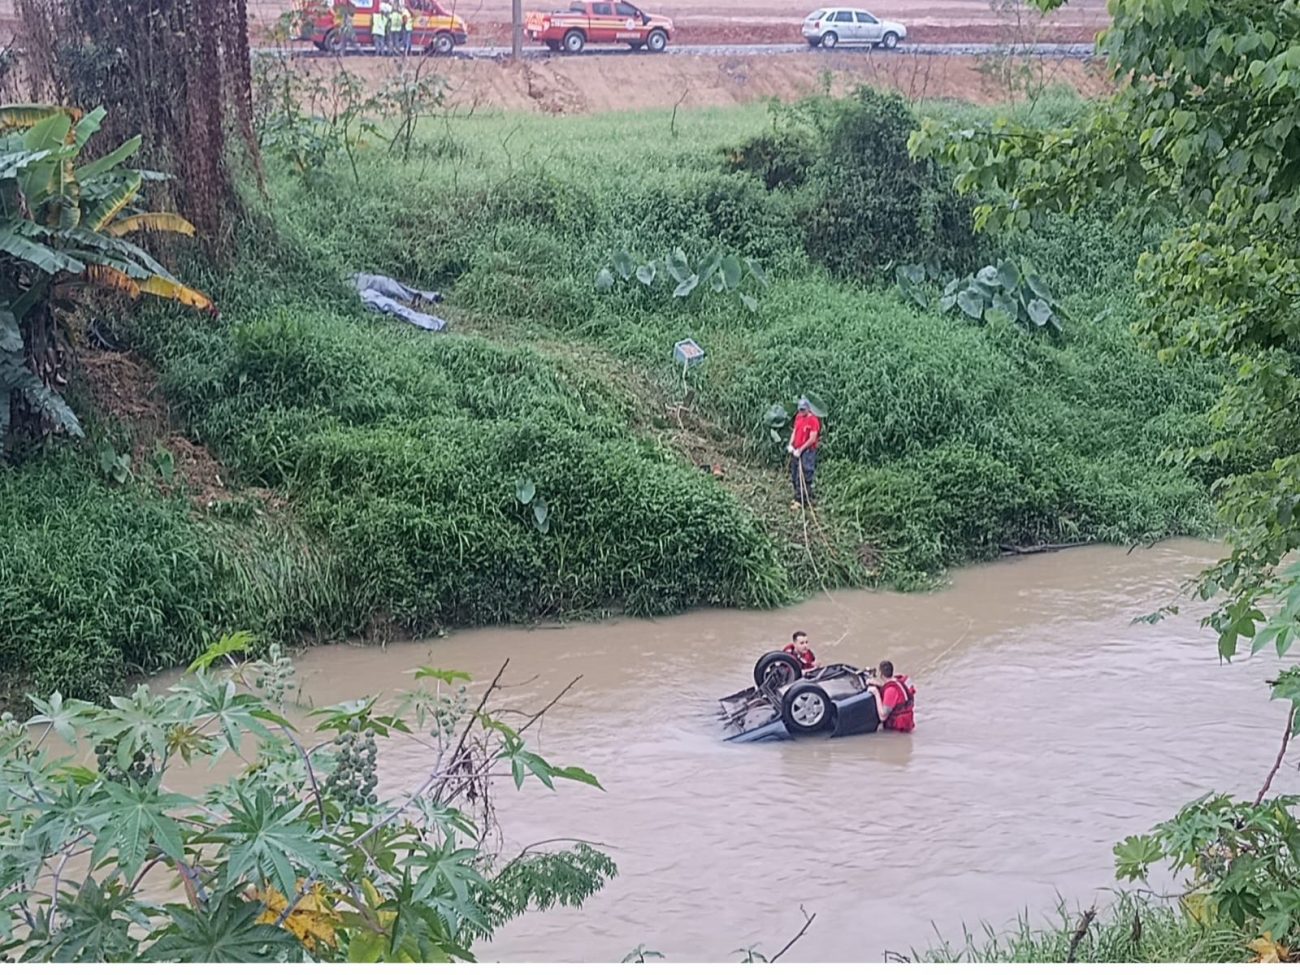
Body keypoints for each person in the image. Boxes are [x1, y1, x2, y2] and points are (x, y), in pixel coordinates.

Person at [786, 396, 821, 510]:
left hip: (807, 451)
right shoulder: (798, 417)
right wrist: (791, 444)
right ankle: (799, 496)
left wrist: (801, 450)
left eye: (803, 410)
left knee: (804, 474)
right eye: (800, 410)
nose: (801, 412)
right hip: (797, 449)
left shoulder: (813, 420)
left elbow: (812, 438)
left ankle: (801, 500)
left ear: (808, 409)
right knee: (795, 473)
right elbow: (795, 431)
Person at [868, 660, 915, 732]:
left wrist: (876, 693)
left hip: (899, 730)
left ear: (881, 674)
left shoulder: (890, 691)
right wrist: (877, 684)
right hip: (907, 723)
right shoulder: (898, 681)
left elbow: (882, 716)